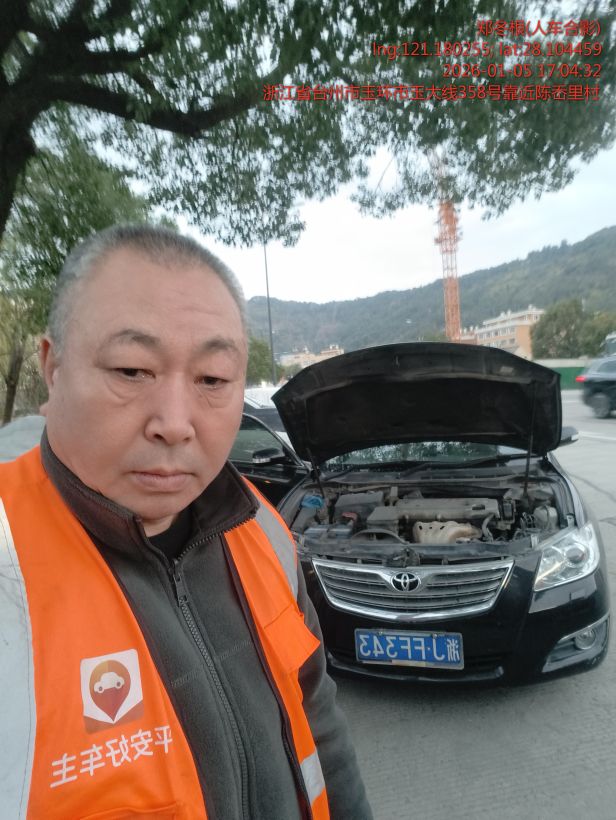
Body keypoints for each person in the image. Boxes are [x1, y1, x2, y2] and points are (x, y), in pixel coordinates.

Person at [0, 224, 373, 820]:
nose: (175, 423)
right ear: (52, 369)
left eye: (212, 380)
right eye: (131, 370)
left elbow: (318, 720)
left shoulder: (261, 529)